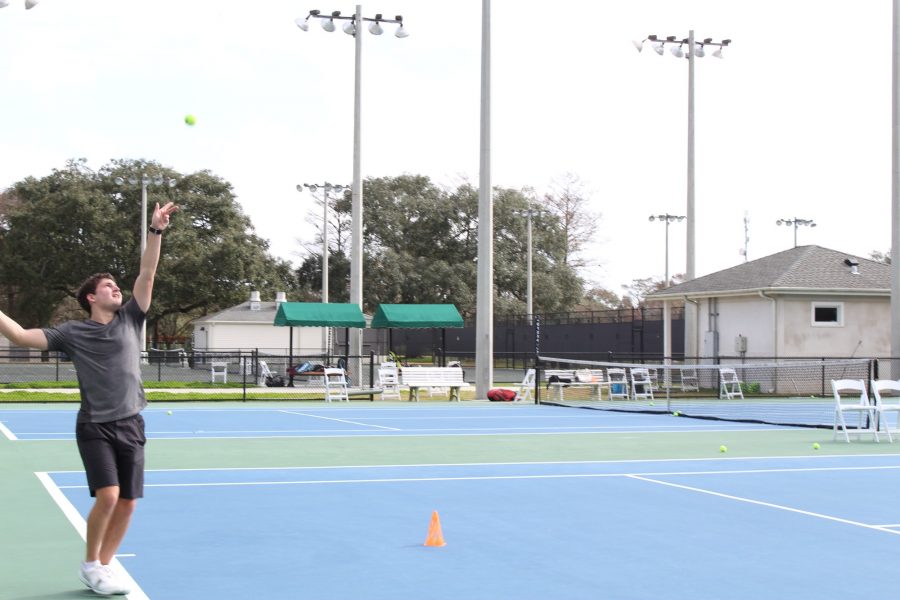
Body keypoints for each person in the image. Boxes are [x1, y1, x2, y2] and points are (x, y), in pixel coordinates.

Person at [0, 201, 176, 596]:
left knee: (128, 503)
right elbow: (21, 336)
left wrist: (156, 230)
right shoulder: (72, 333)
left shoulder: (131, 318)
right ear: (91, 299)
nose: (117, 288)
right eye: (108, 287)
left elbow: (147, 273)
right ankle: (89, 564)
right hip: (95, 426)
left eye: (117, 285)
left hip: (132, 423)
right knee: (109, 496)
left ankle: (104, 567)